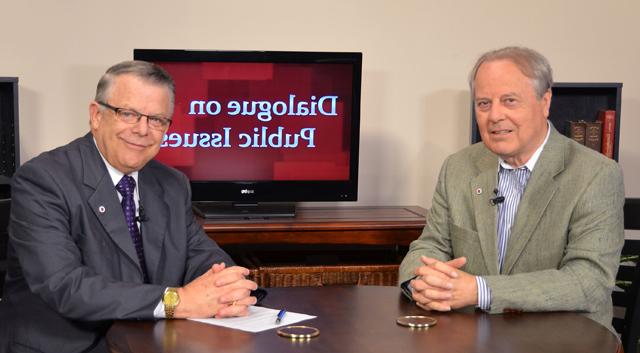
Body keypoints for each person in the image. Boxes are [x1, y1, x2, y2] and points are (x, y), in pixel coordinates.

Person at [0, 61, 259, 353]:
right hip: (65, 346)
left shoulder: (171, 184)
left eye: (157, 119)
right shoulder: (43, 180)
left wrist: (227, 286)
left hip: (147, 341)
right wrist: (179, 301)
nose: (142, 130)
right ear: (96, 115)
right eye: (128, 114)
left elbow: (199, 253)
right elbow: (65, 286)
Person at [399, 46, 624, 332]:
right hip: (473, 337)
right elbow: (430, 245)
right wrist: (420, 282)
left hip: (563, 338)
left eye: (509, 101)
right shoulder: (458, 167)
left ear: (545, 102)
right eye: (483, 103)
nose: (495, 116)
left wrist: (480, 290)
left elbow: (589, 281)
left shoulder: (596, 175)